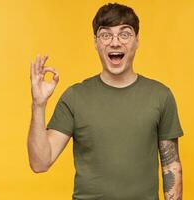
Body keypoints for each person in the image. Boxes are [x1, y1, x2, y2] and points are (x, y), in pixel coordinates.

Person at [27, 3, 184, 200]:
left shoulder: (161, 96)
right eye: (106, 35)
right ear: (96, 42)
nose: (115, 42)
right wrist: (38, 105)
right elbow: (40, 163)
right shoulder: (75, 96)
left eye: (125, 34)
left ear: (137, 41)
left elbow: (171, 165)